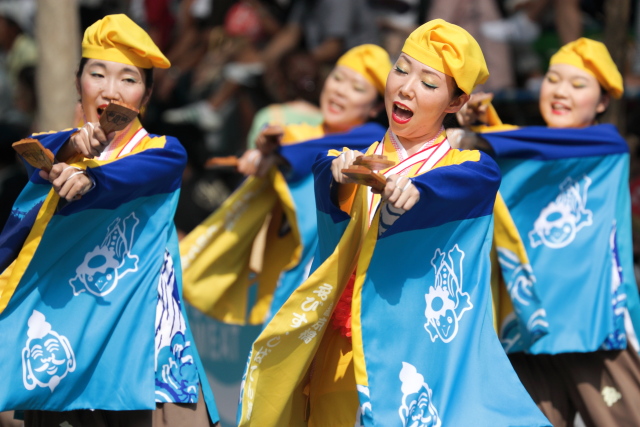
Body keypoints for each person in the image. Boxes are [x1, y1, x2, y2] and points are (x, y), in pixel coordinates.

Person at [236, 19, 551, 427]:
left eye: (429, 83)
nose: (406, 88)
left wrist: (422, 191)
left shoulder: (470, 169)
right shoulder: (351, 161)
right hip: (345, 358)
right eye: (401, 69)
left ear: (456, 103)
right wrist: (335, 177)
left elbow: (469, 181)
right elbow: (323, 182)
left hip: (422, 364)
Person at [0, 14, 219, 426]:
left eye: (128, 80)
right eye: (97, 74)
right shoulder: (55, 152)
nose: (110, 90)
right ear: (78, 82)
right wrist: (70, 150)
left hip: (138, 336)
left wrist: (89, 179)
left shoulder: (164, 152)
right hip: (65, 337)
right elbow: (39, 161)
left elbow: (130, 176)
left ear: (147, 96)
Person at [457, 37, 640, 426]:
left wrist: (485, 137)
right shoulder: (527, 150)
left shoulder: (607, 147)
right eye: (554, 79)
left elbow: (543, 149)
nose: (560, 91)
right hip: (531, 328)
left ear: (603, 102)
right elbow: (530, 151)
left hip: (594, 326)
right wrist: (486, 129)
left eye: (578, 85)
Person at [180, 44, 390, 326]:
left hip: (326, 281)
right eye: (338, 78)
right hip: (282, 275)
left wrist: (277, 155)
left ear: (376, 106)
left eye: (357, 88)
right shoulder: (297, 132)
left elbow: (316, 150)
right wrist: (262, 158)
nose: (340, 90)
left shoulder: (371, 141)